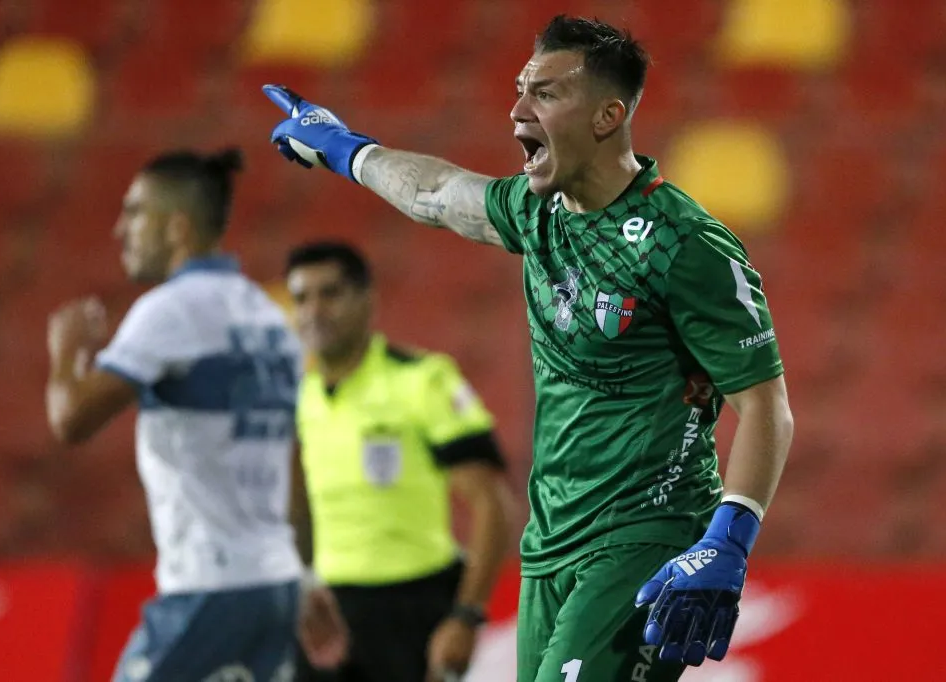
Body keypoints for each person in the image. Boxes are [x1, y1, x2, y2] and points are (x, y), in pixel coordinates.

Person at [260, 14, 795, 682]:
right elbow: (438, 194)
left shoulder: (683, 245)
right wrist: (347, 150)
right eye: (519, 89)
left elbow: (766, 403)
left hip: (643, 534)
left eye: (545, 93)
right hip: (549, 547)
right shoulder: (538, 213)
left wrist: (730, 537)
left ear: (607, 116)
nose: (517, 110)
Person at [44, 148, 346, 681]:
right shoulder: (267, 318)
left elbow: (71, 421)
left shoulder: (171, 311)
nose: (120, 229)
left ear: (177, 226)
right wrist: (303, 574)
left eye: (135, 212)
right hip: (272, 586)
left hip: (210, 588)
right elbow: (293, 462)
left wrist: (66, 351)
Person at [284, 241, 515, 682]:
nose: (314, 310)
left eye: (330, 293)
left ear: (367, 299)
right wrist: (302, 584)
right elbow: (300, 509)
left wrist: (466, 617)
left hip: (416, 609)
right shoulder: (300, 398)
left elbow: (492, 506)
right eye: (301, 297)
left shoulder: (422, 380)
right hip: (329, 609)